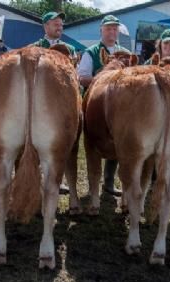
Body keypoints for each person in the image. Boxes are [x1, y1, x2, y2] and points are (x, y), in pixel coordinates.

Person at [78, 15, 132, 197]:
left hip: (121, 105)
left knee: (118, 141)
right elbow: (82, 78)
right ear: (101, 30)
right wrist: (102, 80)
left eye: (115, 28)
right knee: (93, 141)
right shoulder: (91, 52)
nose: (112, 31)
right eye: (108, 28)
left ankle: (109, 182)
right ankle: (92, 183)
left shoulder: (126, 53)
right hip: (94, 105)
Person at [34, 11, 78, 195]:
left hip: (63, 105)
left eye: (61, 24)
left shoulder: (70, 49)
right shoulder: (34, 48)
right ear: (45, 27)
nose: (59, 27)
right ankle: (36, 184)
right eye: (55, 24)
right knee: (37, 145)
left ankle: (56, 181)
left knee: (62, 144)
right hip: (39, 103)